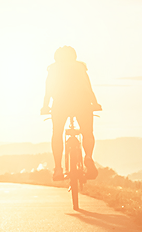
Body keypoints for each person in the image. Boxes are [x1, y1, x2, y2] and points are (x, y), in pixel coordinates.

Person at [41, 46, 101, 180]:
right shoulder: (80, 68)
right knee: (87, 133)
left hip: (61, 104)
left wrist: (45, 107)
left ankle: (57, 169)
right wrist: (95, 103)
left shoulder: (53, 69)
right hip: (82, 103)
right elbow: (88, 87)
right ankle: (89, 157)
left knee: (57, 134)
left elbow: (48, 91)